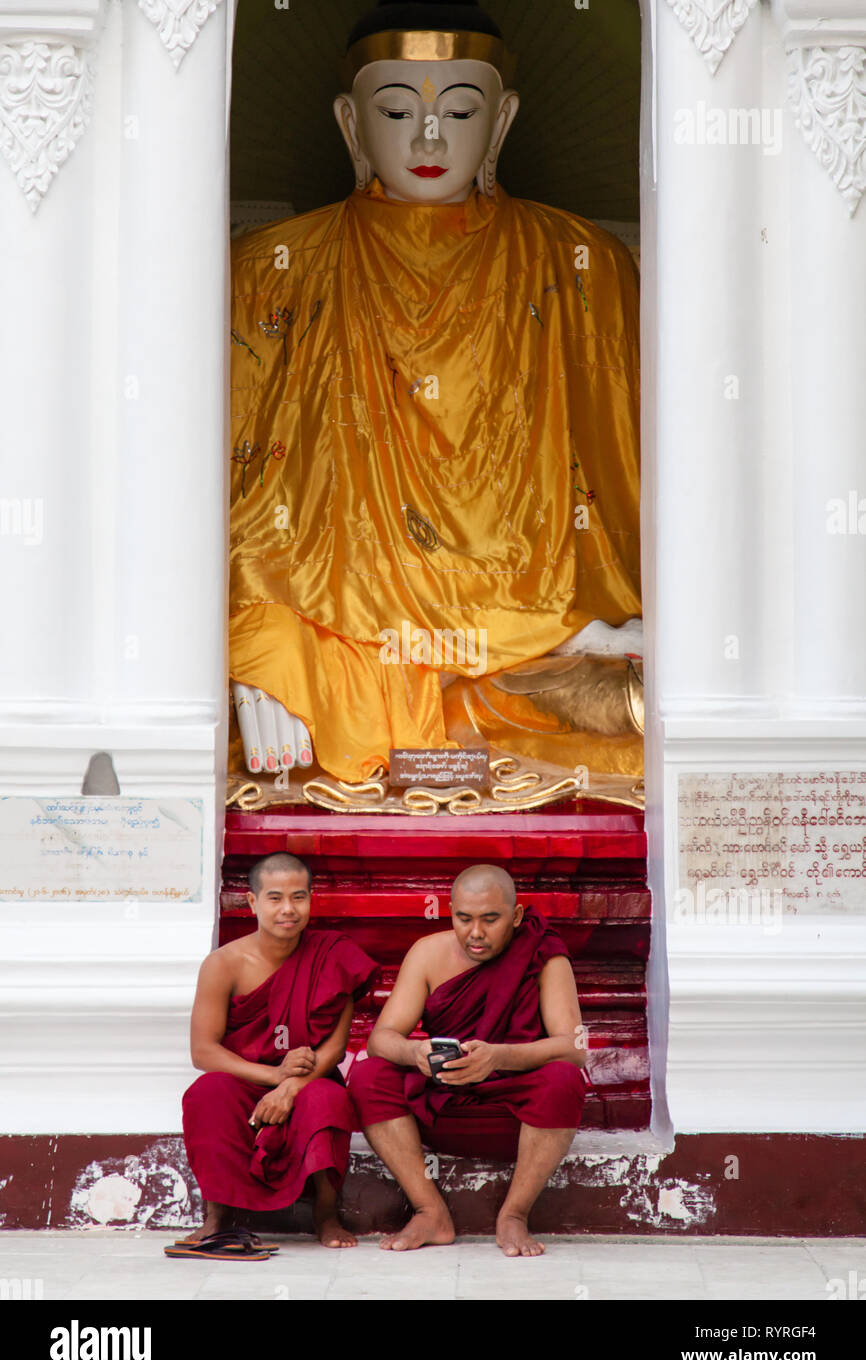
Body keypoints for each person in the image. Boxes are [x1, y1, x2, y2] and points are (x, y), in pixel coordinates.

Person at [229, 0, 642, 784]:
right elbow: (239, 501)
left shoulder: (583, 265)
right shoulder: (271, 269)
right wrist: (257, 650)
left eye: (459, 109)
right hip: (343, 641)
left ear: (504, 120)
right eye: (395, 110)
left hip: (529, 648)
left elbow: (619, 497)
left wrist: (582, 630)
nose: (428, 137)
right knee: (245, 682)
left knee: (637, 697)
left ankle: (475, 694)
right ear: (351, 126)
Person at [347, 863, 588, 1256]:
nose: (475, 933)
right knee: (368, 1076)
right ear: (450, 913)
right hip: (440, 1104)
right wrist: (415, 1052)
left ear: (516, 915)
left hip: (515, 1114)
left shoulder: (544, 956)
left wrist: (498, 1057)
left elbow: (574, 1047)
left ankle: (513, 1215)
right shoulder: (428, 953)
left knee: (562, 1080)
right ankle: (430, 1211)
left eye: (490, 919)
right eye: (464, 918)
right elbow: (380, 1039)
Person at [167, 853, 378, 1260]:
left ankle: (326, 1213)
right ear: (251, 902)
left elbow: (334, 1049)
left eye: (298, 897)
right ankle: (217, 1217)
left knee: (330, 1099)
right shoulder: (223, 964)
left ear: (312, 899)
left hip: (311, 1078)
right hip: (248, 1079)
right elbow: (203, 1051)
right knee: (207, 1093)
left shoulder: (334, 956)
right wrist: (272, 1077)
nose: (288, 909)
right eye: (275, 898)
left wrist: (291, 1086)